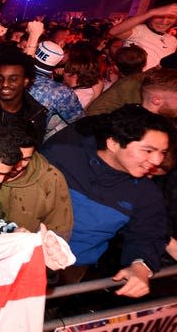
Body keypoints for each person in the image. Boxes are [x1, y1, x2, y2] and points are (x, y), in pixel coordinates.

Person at [42, 105, 174, 297]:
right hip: (18, 257)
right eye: (148, 150)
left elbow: (148, 233)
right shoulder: (60, 156)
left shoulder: (146, 193)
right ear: (113, 143)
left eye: (162, 152)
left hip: (70, 273)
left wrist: (140, 266)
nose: (157, 160)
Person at [0, 119, 73, 240]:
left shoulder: (50, 179)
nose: (19, 166)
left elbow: (59, 232)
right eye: (14, 157)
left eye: (26, 159)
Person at [109, 0, 177, 70]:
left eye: (170, 17)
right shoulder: (139, 30)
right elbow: (113, 32)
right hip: (135, 80)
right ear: (151, 16)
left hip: (158, 80)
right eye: (159, 16)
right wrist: (150, 13)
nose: (164, 21)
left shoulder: (173, 40)